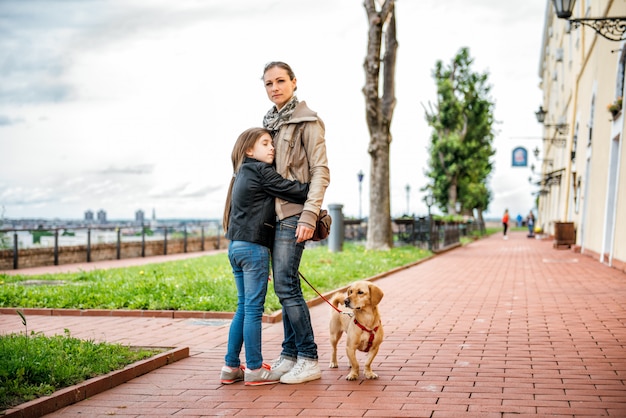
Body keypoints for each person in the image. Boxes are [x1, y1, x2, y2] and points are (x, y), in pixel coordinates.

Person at [220, 127, 310, 386]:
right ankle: (256, 369)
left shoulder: (240, 174)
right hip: (253, 248)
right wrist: (313, 184)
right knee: (253, 310)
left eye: (272, 143)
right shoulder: (261, 171)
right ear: (249, 150)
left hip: (235, 248)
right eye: (265, 143)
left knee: (242, 307)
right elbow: (292, 190)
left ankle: (230, 366)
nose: (272, 148)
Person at [261, 61, 330, 384]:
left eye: (280, 81)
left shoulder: (309, 121)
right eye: (268, 83)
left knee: (287, 285)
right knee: (286, 285)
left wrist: (310, 214)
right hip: (272, 217)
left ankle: (308, 357)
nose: (274, 87)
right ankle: (289, 354)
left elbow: (320, 171)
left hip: (294, 213)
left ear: (294, 82)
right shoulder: (269, 125)